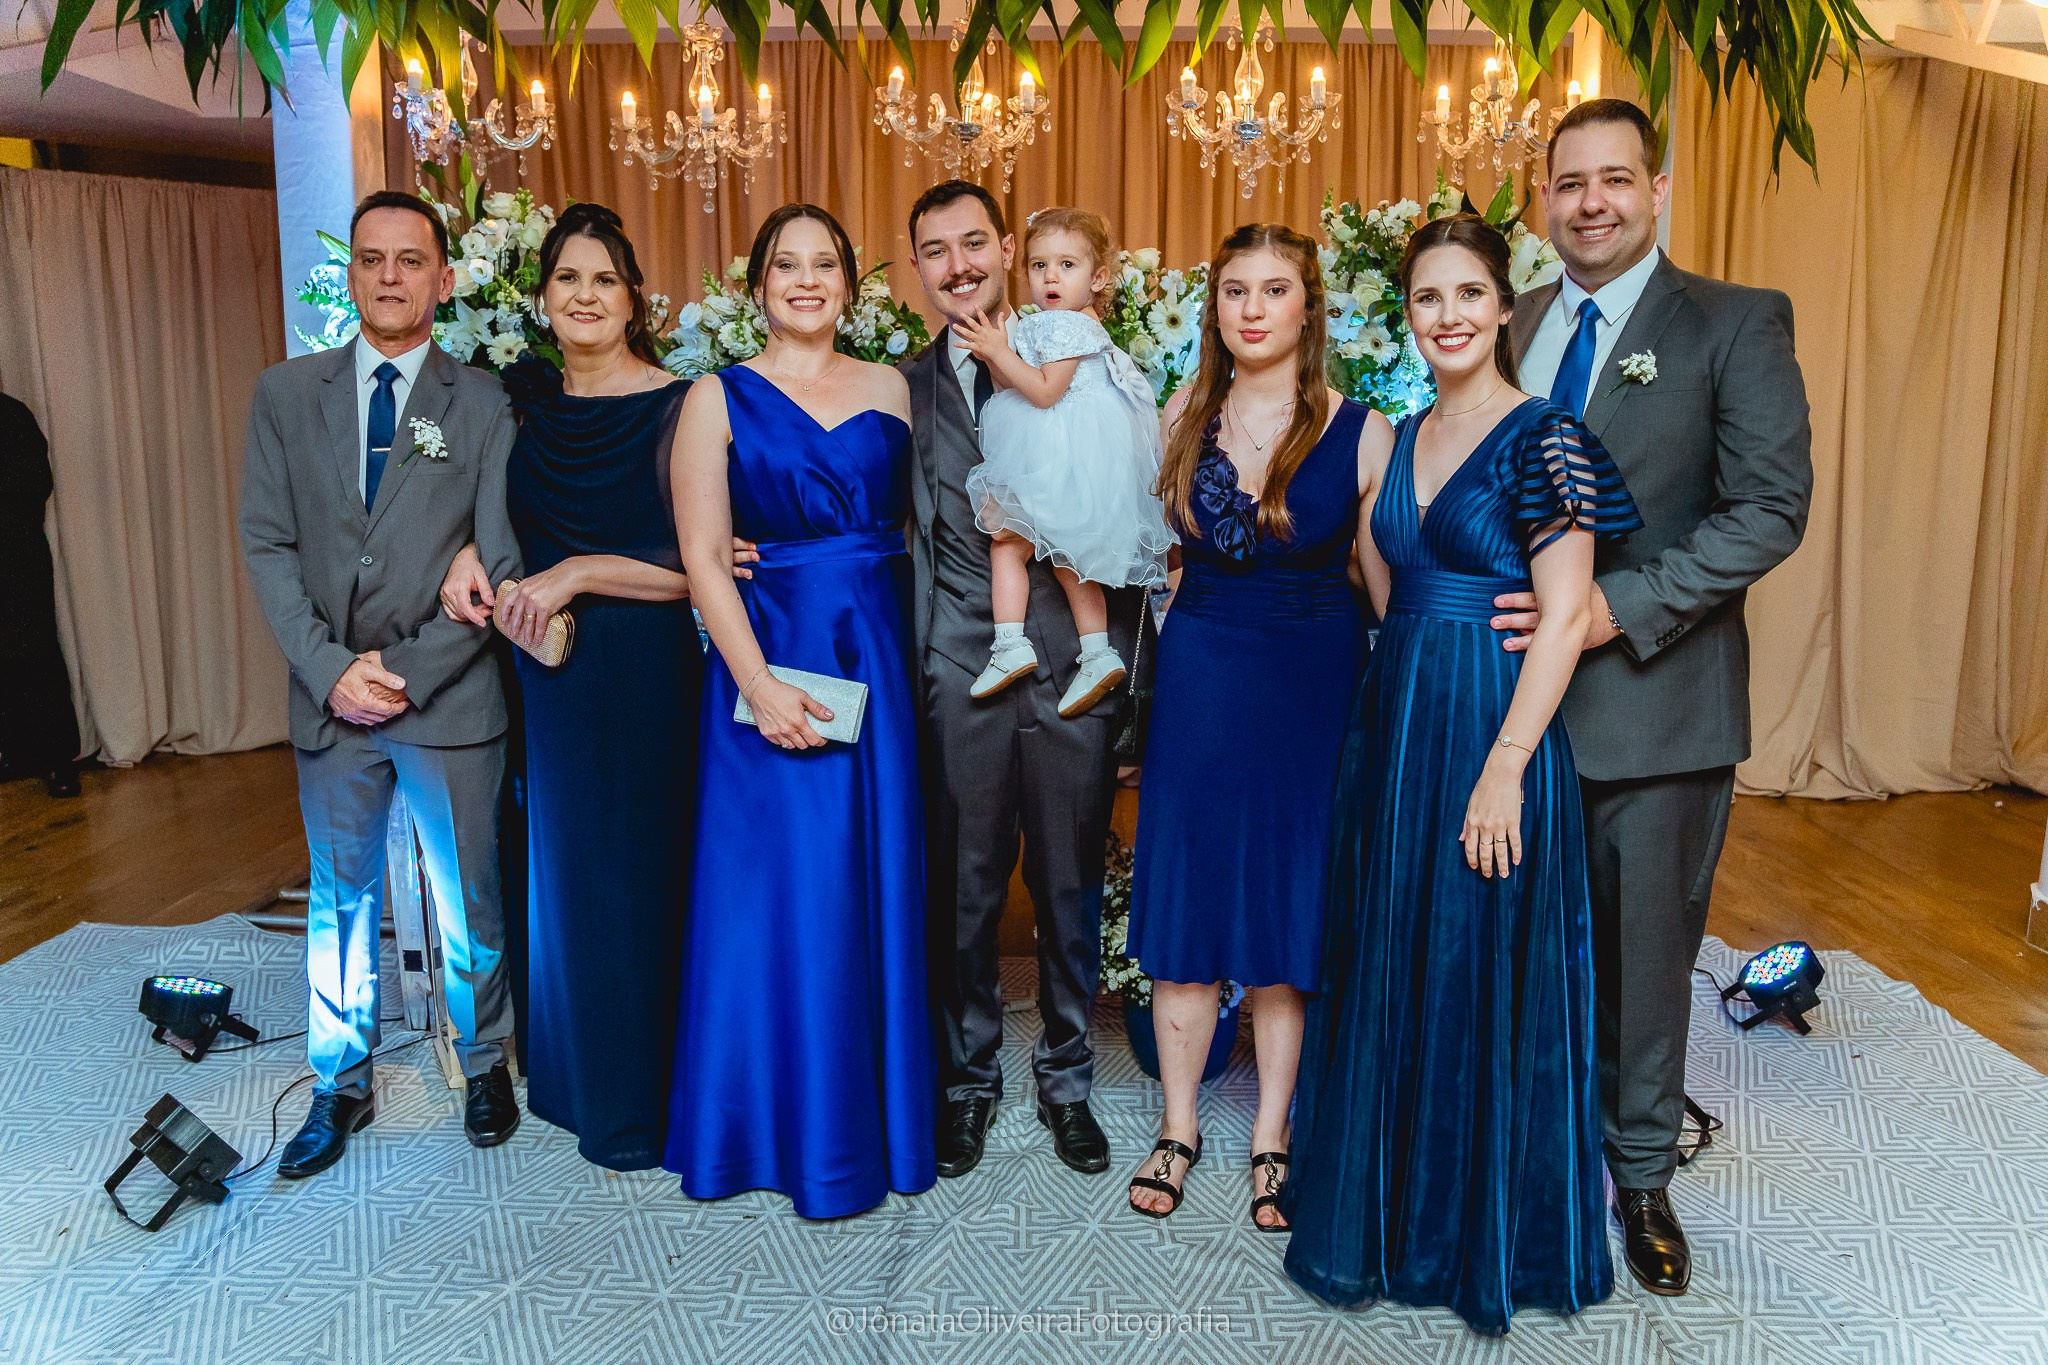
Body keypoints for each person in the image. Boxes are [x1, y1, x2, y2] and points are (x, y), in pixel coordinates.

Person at [1284, 215, 1641, 1333]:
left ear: (1502, 306)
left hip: (1494, 731)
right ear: (1409, 314)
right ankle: (1386, 1216)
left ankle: (1470, 1234)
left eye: (1468, 294)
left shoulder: (1546, 437)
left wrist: (1503, 767)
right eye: (1426, 298)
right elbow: (1388, 587)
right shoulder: (1400, 434)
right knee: (1395, 952)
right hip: (1397, 729)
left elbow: (1565, 615)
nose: (1447, 316)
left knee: (1478, 960)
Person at [1496, 98, 1812, 1295]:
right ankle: (1524, 1146)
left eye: (1614, 179)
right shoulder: (1511, 322)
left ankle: (1638, 1176)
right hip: (1505, 710)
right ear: (1542, 197)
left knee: (1640, 960)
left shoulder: (1732, 320)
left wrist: (1611, 609)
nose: (1590, 203)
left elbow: (1767, 510)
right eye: (1569, 182)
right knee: (1516, 946)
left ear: (1656, 189)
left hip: (1655, 704)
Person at [436, 204, 734, 1170]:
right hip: (547, 674)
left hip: (649, 670)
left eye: (605, 279)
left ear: (635, 299)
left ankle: (658, 1095)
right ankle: (578, 1079)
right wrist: (468, 553)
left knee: (649, 872)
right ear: (540, 299)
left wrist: (578, 571)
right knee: (567, 877)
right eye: (568, 277)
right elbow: (472, 511)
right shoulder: (512, 404)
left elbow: (706, 567)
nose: (586, 295)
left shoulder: (683, 405)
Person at [238, 190, 522, 1178]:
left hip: (448, 695)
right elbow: (268, 545)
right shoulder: (285, 394)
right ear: (350, 274)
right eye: (372, 259)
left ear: (443, 278)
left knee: (466, 897)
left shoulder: (483, 402)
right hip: (330, 700)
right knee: (340, 904)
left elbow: (498, 558)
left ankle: (482, 1062)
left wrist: (397, 673)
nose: (390, 276)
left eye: (410, 260)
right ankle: (340, 1080)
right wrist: (330, 671)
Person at [663, 203, 934, 1218]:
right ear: (757, 284)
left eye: (826, 264)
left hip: (877, 661)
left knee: (867, 882)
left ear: (851, 286)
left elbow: (929, 528)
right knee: (775, 897)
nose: (807, 280)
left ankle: (871, 1124)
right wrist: (759, 684)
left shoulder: (892, 388)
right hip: (766, 659)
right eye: (787, 264)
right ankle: (765, 1132)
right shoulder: (714, 397)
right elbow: (703, 557)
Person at [1123, 223, 1383, 1225]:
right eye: (1235, 290)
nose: (1252, 308)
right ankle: (1177, 1125)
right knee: (1188, 907)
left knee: (1287, 910)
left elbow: (1382, 587)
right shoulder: (1180, 413)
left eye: (1274, 289)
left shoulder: (1363, 431)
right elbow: (1156, 553)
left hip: (1311, 686)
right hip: (1202, 678)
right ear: (1215, 307)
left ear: (1307, 307)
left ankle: (1272, 1132)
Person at [904, 181, 1142, 1180]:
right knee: (961, 889)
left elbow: (1128, 509)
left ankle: (1067, 1079)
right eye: (935, 250)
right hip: (959, 661)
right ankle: (967, 1082)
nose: (957, 265)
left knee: (1068, 881)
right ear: (917, 268)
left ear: (1007, 249)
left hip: (1072, 659)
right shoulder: (903, 388)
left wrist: (1129, 689)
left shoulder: (1087, 357)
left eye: (973, 243)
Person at [951, 206, 1174, 712]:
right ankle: (1096, 652)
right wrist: (1001, 354)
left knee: (1006, 545)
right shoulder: (1063, 323)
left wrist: (996, 352)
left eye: (1067, 265)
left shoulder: (1065, 327)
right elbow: (1017, 386)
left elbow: (1045, 392)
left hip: (1061, 449)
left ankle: (1010, 643)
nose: (1050, 277)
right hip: (1070, 450)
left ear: (1098, 278)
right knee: (1072, 561)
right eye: (1039, 265)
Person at [0, 390, 81, 798]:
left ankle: (57, 759)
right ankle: (14, 752)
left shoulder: (13, 417)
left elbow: (36, 483)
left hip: (17, 556)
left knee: (35, 654)